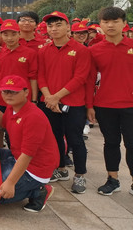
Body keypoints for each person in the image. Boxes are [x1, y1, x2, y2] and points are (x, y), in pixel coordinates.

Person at [37, 11, 91, 194]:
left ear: (68, 27)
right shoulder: (44, 51)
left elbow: (80, 78)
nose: (54, 29)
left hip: (73, 103)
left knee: (75, 139)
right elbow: (41, 76)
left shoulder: (81, 50)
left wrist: (56, 96)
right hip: (49, 103)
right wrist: (49, 97)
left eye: (58, 25)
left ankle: (80, 174)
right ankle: (60, 169)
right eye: (50, 25)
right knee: (54, 138)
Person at [0, 75, 59, 212]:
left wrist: (10, 183)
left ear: (26, 92)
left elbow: (27, 155)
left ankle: (38, 190)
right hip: (16, 155)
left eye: (14, 92)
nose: (8, 95)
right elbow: (3, 122)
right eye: (5, 91)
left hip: (34, 168)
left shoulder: (33, 117)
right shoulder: (12, 108)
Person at [88, 6, 133, 196]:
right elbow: (90, 80)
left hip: (130, 105)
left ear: (124, 23)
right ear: (100, 24)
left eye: (115, 21)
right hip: (104, 104)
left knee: (132, 144)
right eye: (106, 22)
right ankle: (112, 179)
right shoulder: (94, 50)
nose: (110, 25)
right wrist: (89, 106)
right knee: (111, 142)